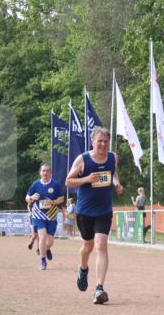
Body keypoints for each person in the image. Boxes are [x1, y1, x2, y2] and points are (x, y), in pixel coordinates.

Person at [66, 127, 124, 304]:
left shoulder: (112, 157)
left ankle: (99, 288)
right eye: (100, 141)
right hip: (85, 211)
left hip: (104, 210)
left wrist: (117, 184)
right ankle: (83, 268)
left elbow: (113, 174)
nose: (103, 144)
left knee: (101, 245)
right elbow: (68, 181)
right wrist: (86, 179)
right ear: (93, 142)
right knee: (87, 247)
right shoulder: (82, 159)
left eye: (106, 141)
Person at [26, 164, 65, 270]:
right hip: (38, 215)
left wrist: (53, 201)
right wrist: (31, 197)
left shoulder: (55, 184)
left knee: (50, 242)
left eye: (47, 171)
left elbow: (61, 198)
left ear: (50, 173)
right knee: (42, 236)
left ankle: (46, 249)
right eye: (43, 171)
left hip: (51, 215)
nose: (45, 173)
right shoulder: (35, 184)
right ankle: (43, 261)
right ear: (40, 172)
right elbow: (27, 197)